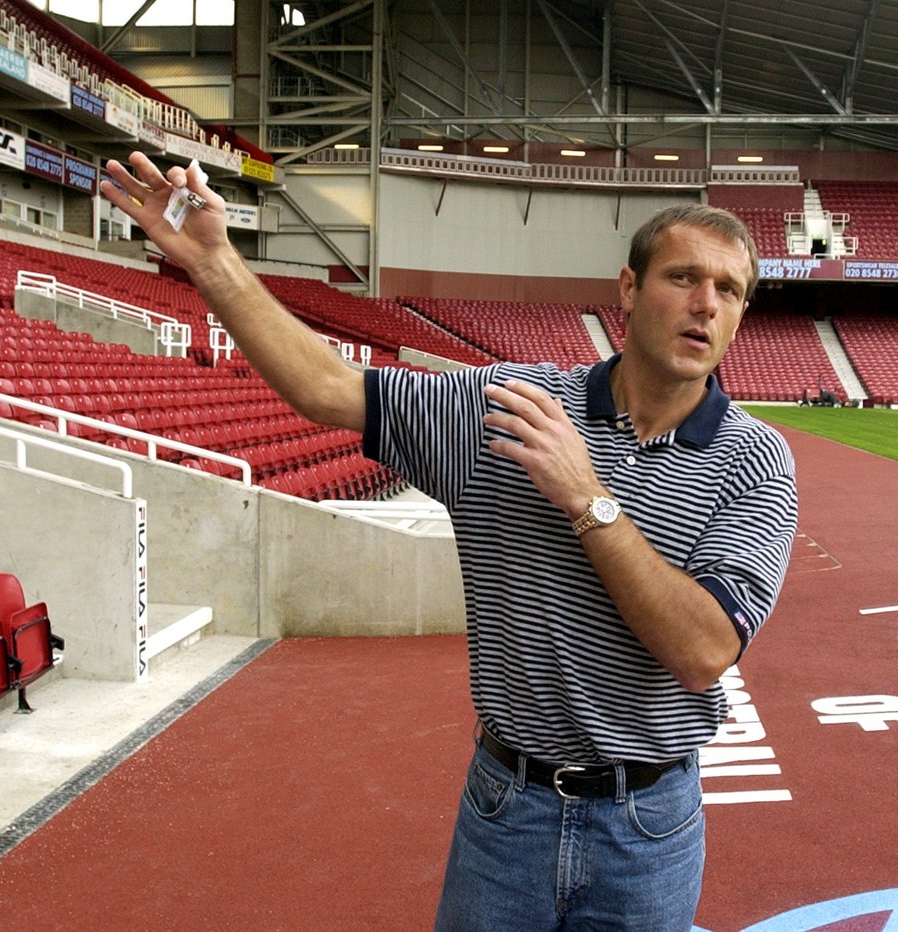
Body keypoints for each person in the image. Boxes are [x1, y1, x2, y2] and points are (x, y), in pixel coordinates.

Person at [101, 154, 798, 931]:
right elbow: (328, 389)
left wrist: (585, 495)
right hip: (510, 809)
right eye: (683, 278)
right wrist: (213, 261)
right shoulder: (510, 408)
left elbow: (704, 651)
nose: (706, 304)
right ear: (629, 291)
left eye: (729, 290)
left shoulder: (755, 460)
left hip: (650, 824)